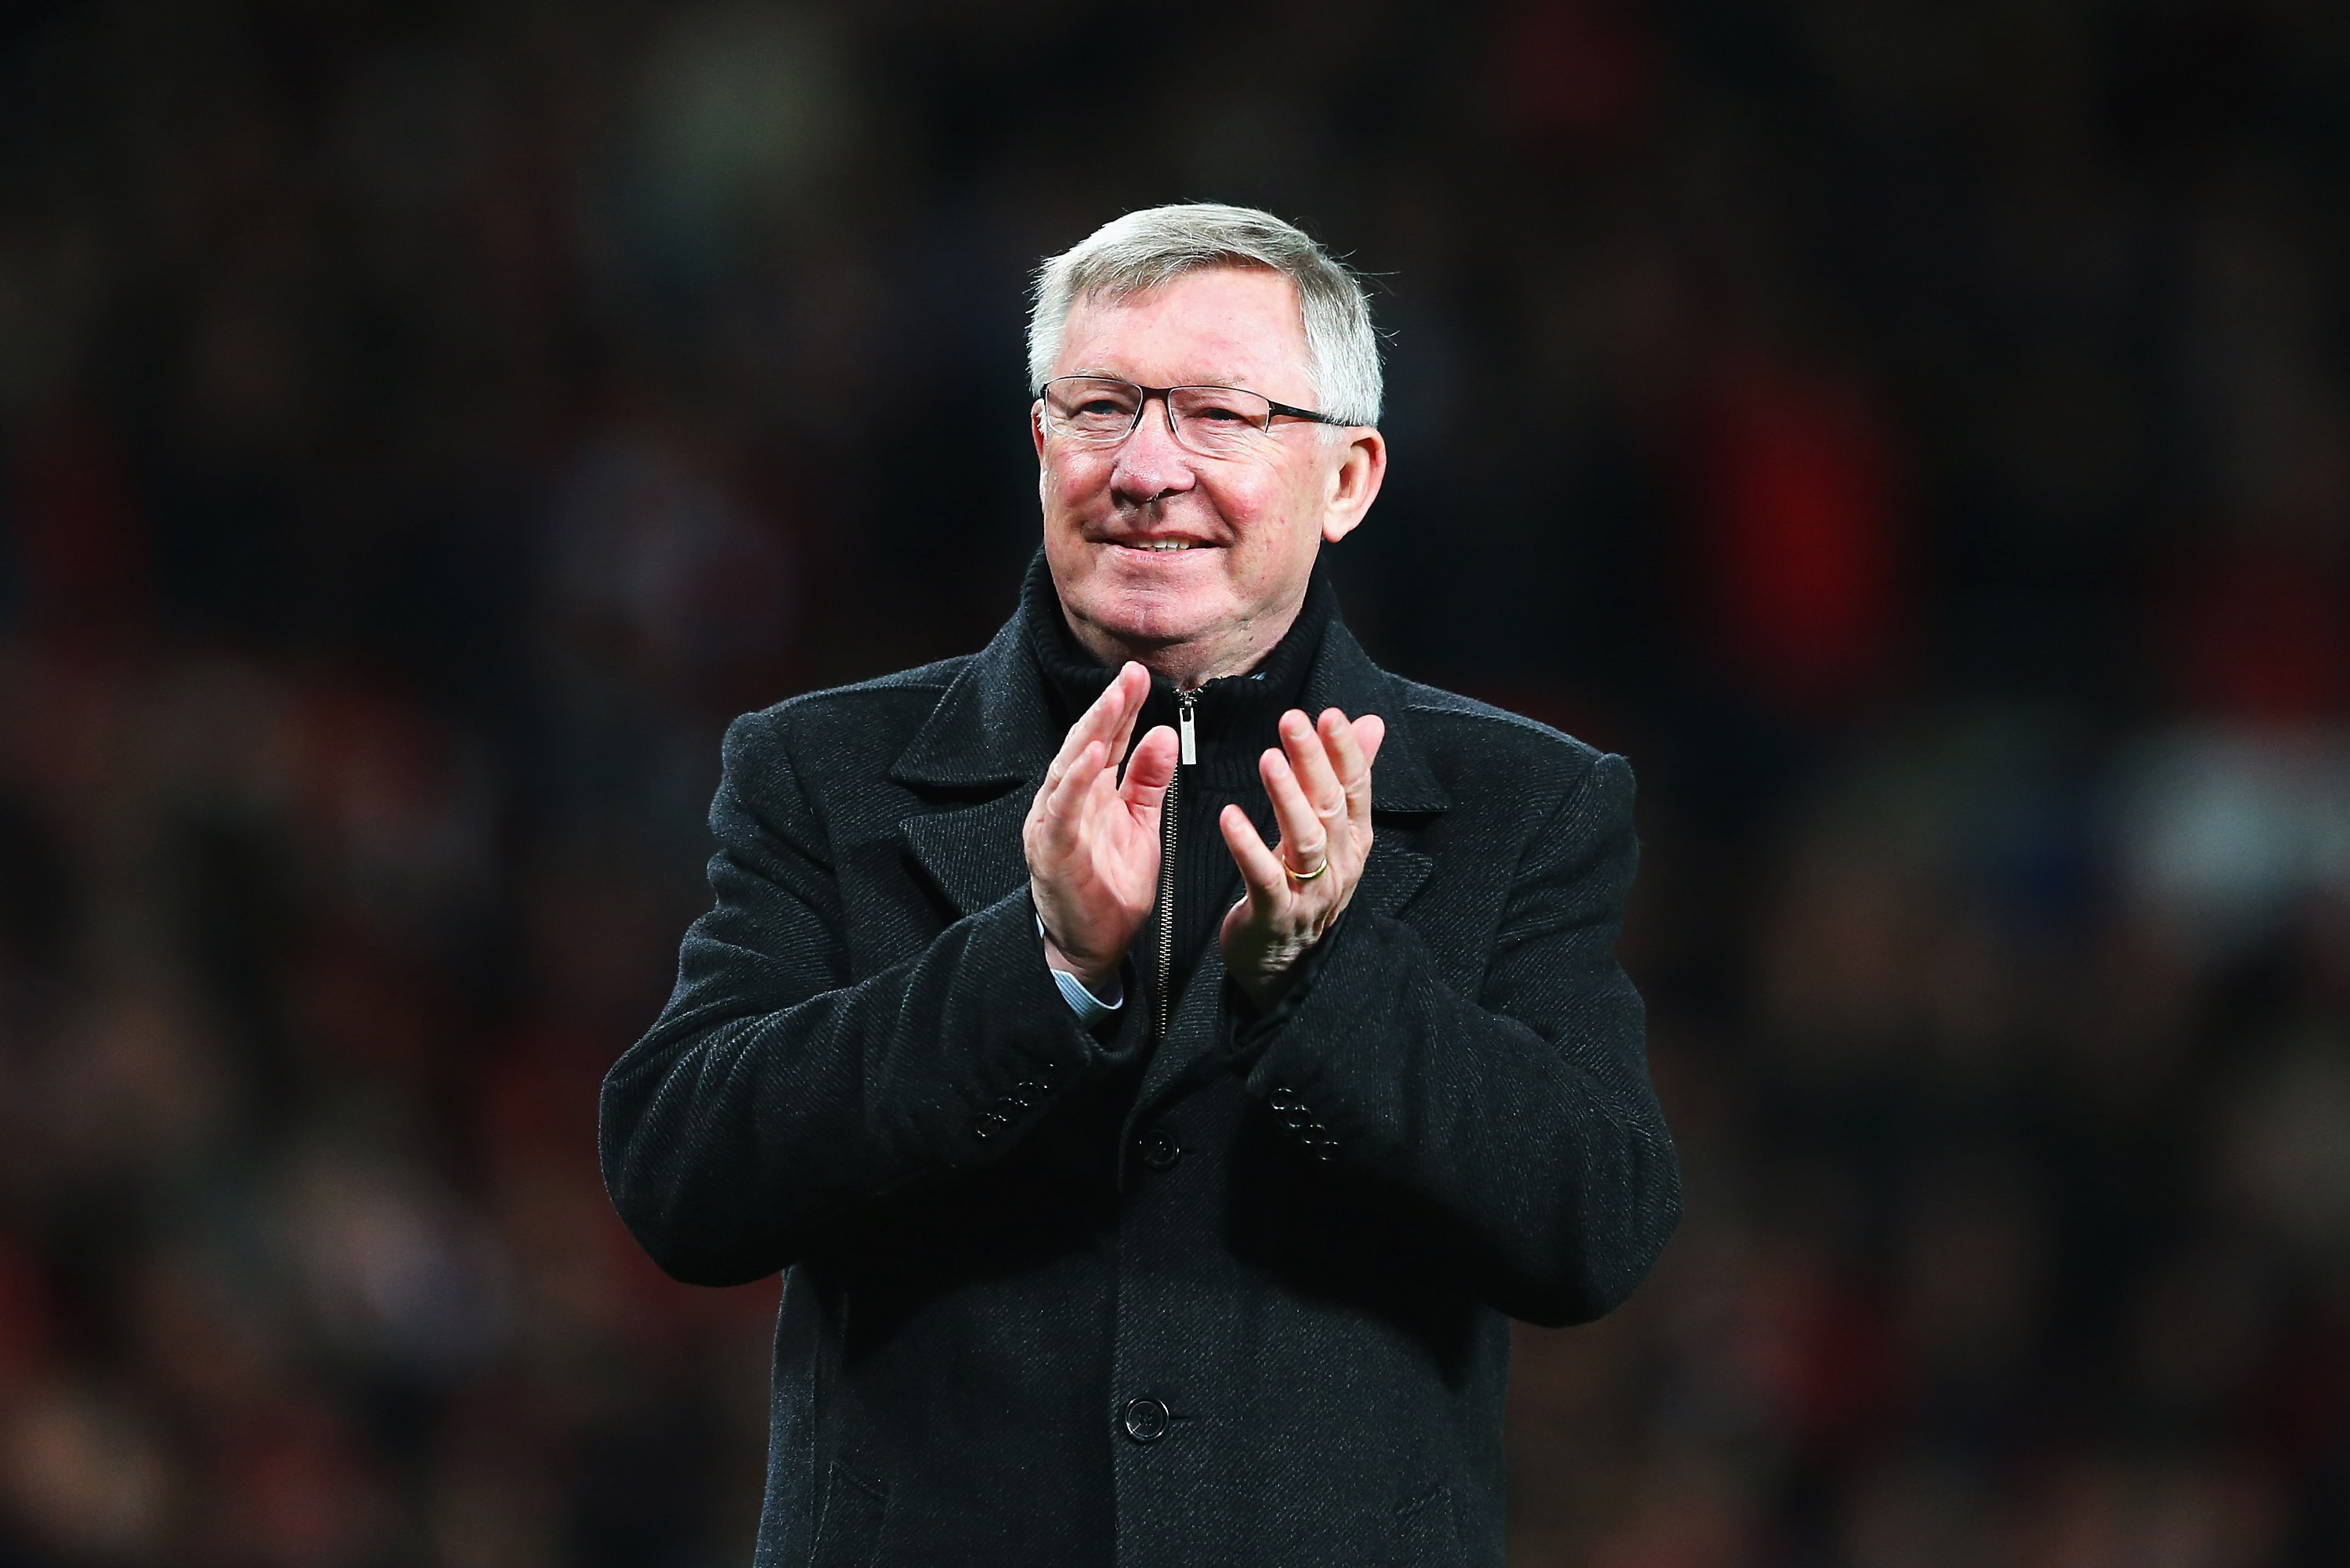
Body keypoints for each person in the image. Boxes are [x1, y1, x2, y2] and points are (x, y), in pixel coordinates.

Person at [600, 204, 1680, 1568]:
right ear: (1041, 443)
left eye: (1221, 415)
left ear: (1347, 477)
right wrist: (1035, 964)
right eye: (1103, 407)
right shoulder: (824, 769)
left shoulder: (1523, 802)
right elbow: (679, 1176)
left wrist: (1325, 978)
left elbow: (1596, 1225)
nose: (1148, 467)